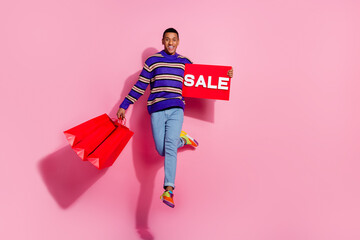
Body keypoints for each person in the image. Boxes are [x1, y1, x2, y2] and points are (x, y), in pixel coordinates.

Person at [117, 28, 233, 208]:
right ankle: (183, 139)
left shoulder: (184, 62)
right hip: (156, 110)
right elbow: (140, 85)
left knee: (169, 147)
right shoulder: (153, 61)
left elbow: (205, 79)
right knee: (162, 150)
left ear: (178, 42)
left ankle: (168, 190)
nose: (171, 43)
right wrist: (124, 105)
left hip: (176, 109)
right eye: (167, 39)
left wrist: (226, 76)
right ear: (163, 41)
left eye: (174, 40)